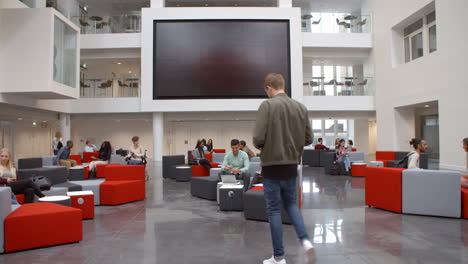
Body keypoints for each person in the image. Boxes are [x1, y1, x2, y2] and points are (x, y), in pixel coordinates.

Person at [253, 73, 315, 264]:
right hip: (291, 165)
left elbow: (258, 139)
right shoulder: (300, 107)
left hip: (272, 165)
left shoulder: (267, 106)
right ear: (283, 86)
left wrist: (266, 144)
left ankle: (279, 258)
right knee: (291, 204)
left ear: (269, 88)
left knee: (273, 211)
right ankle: (306, 241)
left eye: (266, 91)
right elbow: (309, 139)